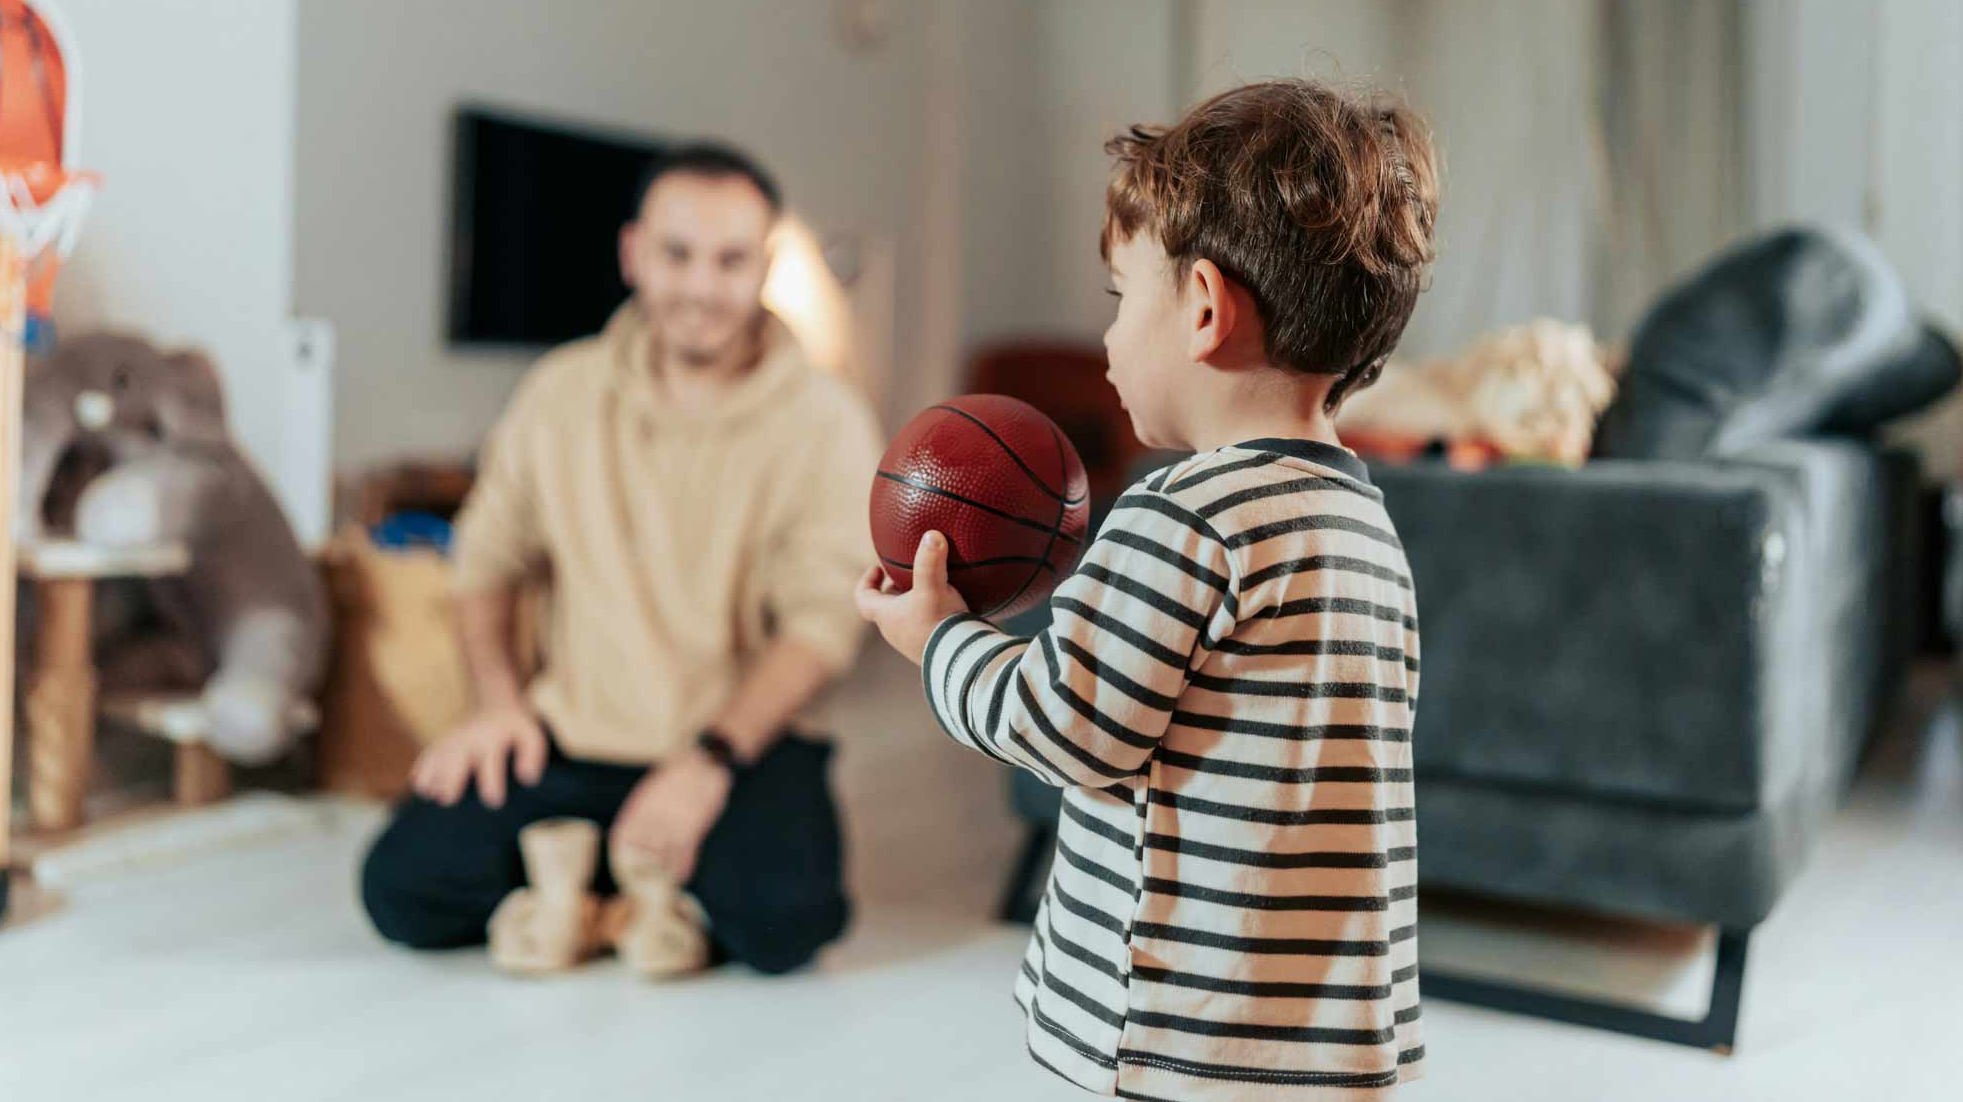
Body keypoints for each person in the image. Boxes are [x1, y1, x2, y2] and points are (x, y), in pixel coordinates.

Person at [858, 78, 1437, 1098]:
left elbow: (1063, 723)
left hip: (1185, 1032)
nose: (1108, 340)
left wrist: (936, 638)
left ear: (1204, 309)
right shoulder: (1364, 523)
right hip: (1329, 1033)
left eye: (1121, 299)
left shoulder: (1183, 514)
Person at [362, 141, 881, 976]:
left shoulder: (828, 420)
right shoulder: (560, 389)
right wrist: (497, 704)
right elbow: (484, 561)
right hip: (573, 736)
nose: (702, 286)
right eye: (678, 254)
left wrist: (707, 763)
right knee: (401, 890)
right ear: (633, 253)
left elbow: (822, 626)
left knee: (788, 922)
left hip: (737, 744)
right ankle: (641, 895)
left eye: (730, 260)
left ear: (764, 267)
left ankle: (583, 888)